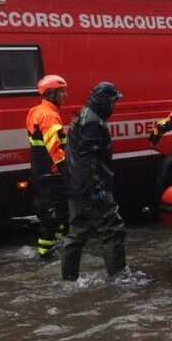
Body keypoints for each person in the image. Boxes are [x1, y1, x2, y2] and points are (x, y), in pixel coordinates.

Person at [62, 82, 127, 281]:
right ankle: (120, 280)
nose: (114, 107)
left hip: (76, 186)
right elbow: (88, 158)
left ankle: (69, 280)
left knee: (76, 233)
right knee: (113, 230)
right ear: (104, 101)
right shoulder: (92, 121)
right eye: (113, 102)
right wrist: (97, 190)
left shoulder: (81, 116)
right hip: (90, 187)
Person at [25, 74, 70, 258]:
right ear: (51, 94)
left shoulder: (35, 111)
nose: (65, 95)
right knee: (52, 214)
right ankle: (46, 254)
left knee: (56, 211)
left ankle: (58, 246)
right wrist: (66, 170)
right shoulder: (49, 116)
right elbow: (55, 148)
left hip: (40, 170)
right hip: (51, 172)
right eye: (62, 92)